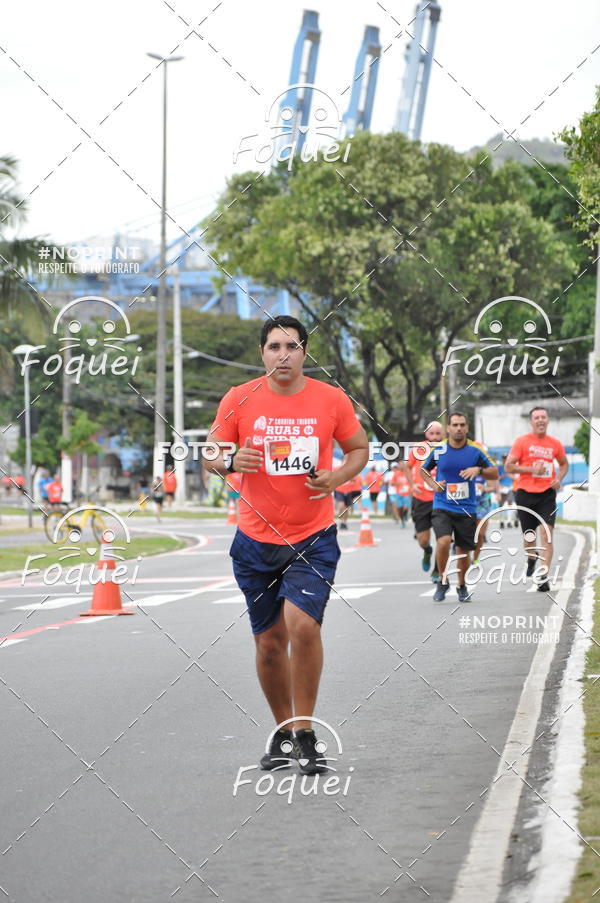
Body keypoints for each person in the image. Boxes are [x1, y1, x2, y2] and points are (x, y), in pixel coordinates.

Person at [209, 315, 369, 774]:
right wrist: (230, 459)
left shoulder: (330, 399)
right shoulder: (240, 399)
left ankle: (305, 731)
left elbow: (359, 449)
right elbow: (210, 454)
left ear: (304, 353)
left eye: (293, 347)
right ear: (262, 352)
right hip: (256, 541)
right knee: (270, 645)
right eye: (275, 346)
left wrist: (337, 477)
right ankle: (283, 731)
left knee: (303, 627)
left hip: (312, 536)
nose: (284, 354)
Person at [421, 413, 498, 602]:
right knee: (443, 541)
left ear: (467, 428)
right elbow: (423, 469)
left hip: (466, 507)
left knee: (463, 551)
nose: (459, 428)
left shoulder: (475, 450)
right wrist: (433, 484)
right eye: (455, 425)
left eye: (462, 425)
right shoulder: (439, 449)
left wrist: (478, 470)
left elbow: (495, 472)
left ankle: (461, 586)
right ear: (448, 428)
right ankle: (442, 580)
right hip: (442, 504)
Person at [505, 407, 568, 592]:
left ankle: (543, 576)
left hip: (547, 494)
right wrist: (531, 470)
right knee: (529, 537)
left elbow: (564, 464)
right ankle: (532, 557)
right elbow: (509, 466)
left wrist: (559, 478)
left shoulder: (554, 444)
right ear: (531, 422)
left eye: (543, 417)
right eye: (536, 418)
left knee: (546, 535)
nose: (540, 420)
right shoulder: (522, 442)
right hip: (525, 493)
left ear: (548, 421)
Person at [402, 421, 444, 579]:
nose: (434, 437)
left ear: (443, 434)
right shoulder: (418, 448)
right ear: (426, 434)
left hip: (442, 500)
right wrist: (412, 485)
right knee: (423, 540)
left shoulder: (448, 448)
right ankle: (427, 551)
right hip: (421, 499)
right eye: (431, 434)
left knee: (443, 538)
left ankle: (437, 569)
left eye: (438, 434)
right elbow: (405, 466)